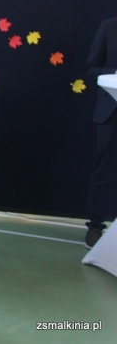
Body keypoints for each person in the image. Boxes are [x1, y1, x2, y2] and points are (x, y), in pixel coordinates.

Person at [84, 17, 117, 248]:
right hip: (110, 110)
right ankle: (95, 226)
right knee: (104, 170)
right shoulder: (109, 27)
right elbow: (91, 69)